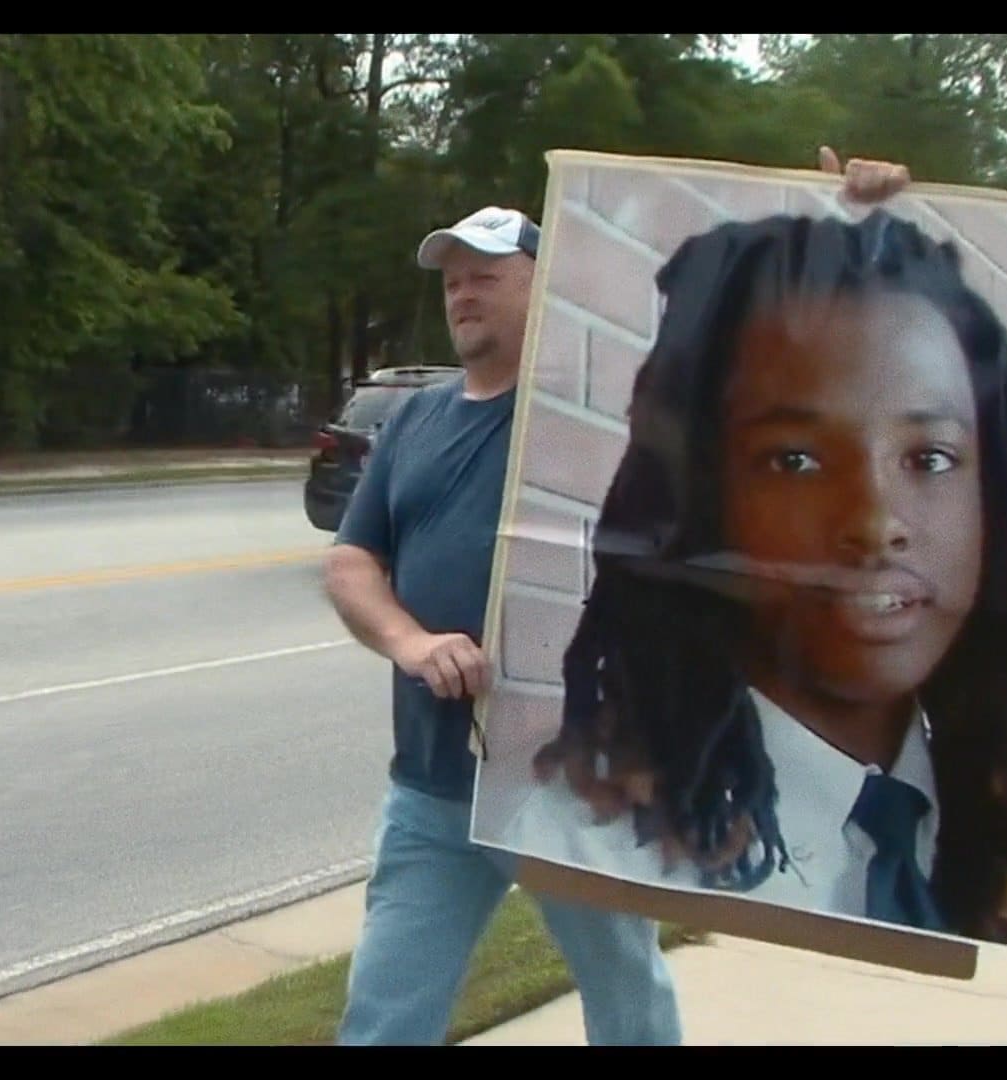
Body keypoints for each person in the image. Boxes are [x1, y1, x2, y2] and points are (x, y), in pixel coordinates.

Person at [323, 150, 913, 1044]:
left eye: (486, 274)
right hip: (435, 787)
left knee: (626, 995)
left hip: (572, 781)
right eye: (451, 279)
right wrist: (410, 643)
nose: (462, 293)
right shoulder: (416, 420)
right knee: (384, 1009)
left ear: (544, 282)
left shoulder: (615, 408)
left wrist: (847, 226)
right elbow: (353, 563)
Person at [501, 203, 1007, 951]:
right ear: (702, 499)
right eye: (795, 460)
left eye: (929, 458)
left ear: (996, 498)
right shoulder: (600, 842)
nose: (875, 523)